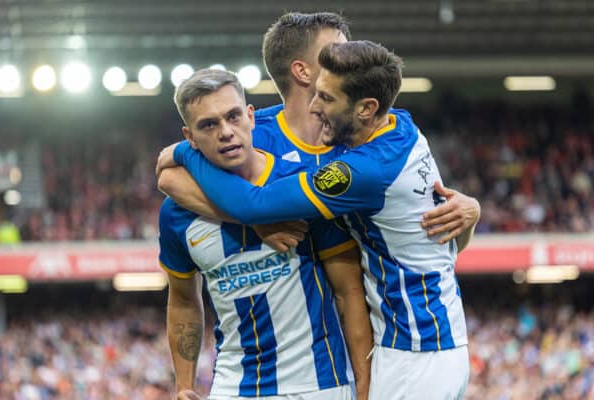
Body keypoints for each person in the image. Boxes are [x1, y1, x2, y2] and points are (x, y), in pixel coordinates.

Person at [169, 41, 472, 400]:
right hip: (430, 340)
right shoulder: (401, 125)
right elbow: (445, 242)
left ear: (366, 109)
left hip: (416, 350)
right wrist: (471, 215)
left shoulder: (362, 171)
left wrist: (182, 152)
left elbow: (255, 204)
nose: (314, 107)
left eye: (326, 99)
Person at [157, 12, 480, 247]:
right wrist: (251, 221)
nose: (350, 57)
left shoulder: (371, 133)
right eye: (336, 52)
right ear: (302, 71)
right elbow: (168, 176)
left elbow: (436, 236)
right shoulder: (249, 133)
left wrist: (471, 213)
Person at [159, 68, 372, 400]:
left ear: (251, 117)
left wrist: (364, 388)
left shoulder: (300, 185)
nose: (226, 132)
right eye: (209, 124)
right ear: (189, 137)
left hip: (318, 385)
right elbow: (184, 300)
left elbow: (349, 292)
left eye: (232, 117)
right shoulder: (177, 213)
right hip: (232, 388)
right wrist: (184, 385)